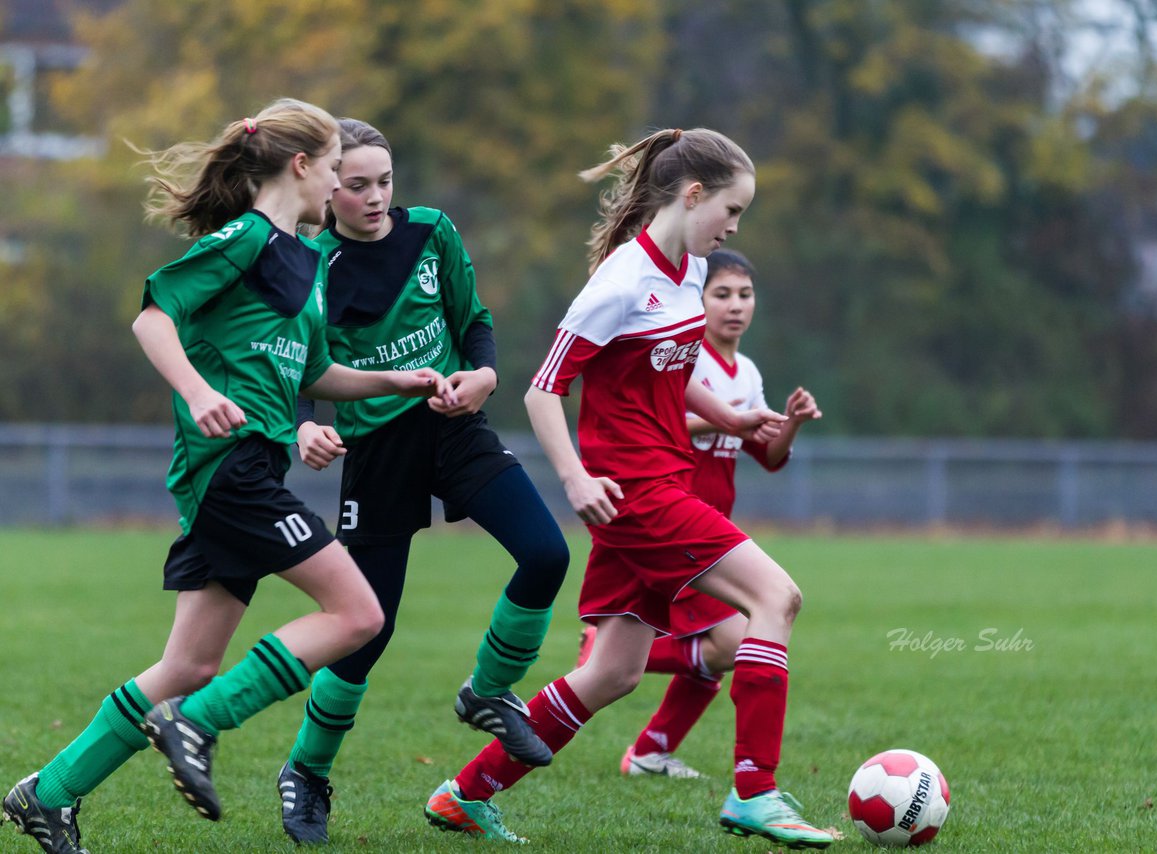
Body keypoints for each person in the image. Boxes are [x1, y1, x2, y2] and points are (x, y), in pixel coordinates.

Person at [0, 99, 451, 854]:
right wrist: (201, 392)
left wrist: (398, 381)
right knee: (358, 616)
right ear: (302, 166)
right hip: (230, 471)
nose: (346, 184)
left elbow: (317, 373)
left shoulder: (303, 259)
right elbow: (154, 315)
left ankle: (46, 795)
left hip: (246, 469)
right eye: (338, 168)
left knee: (189, 663)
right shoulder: (245, 238)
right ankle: (199, 722)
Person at [422, 128, 834, 849]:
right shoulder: (620, 282)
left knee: (613, 671)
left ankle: (465, 793)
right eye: (731, 211)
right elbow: (544, 390)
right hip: (638, 492)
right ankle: (755, 791)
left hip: (658, 482)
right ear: (693, 193)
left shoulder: (682, 276)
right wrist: (575, 478)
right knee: (778, 598)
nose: (735, 228)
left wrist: (728, 414)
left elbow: (663, 378)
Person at [275, 119, 570, 844]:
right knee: (365, 633)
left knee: (547, 554)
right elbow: (294, 361)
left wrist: (486, 376)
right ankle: (305, 775)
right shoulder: (309, 263)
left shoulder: (433, 232)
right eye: (358, 185)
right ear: (326, 187)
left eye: (386, 182)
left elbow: (475, 324)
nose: (377, 198)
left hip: (453, 430)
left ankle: (489, 691)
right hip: (376, 453)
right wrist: (306, 425)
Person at [577, 247, 822, 781]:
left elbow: (769, 456)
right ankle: (601, 658)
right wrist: (721, 421)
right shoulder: (681, 358)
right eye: (722, 294)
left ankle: (649, 751)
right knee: (735, 641)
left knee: (725, 649)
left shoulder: (747, 371)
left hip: (711, 531)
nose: (735, 306)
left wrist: (793, 424)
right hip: (669, 522)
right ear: (697, 300)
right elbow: (659, 426)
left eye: (745, 294)